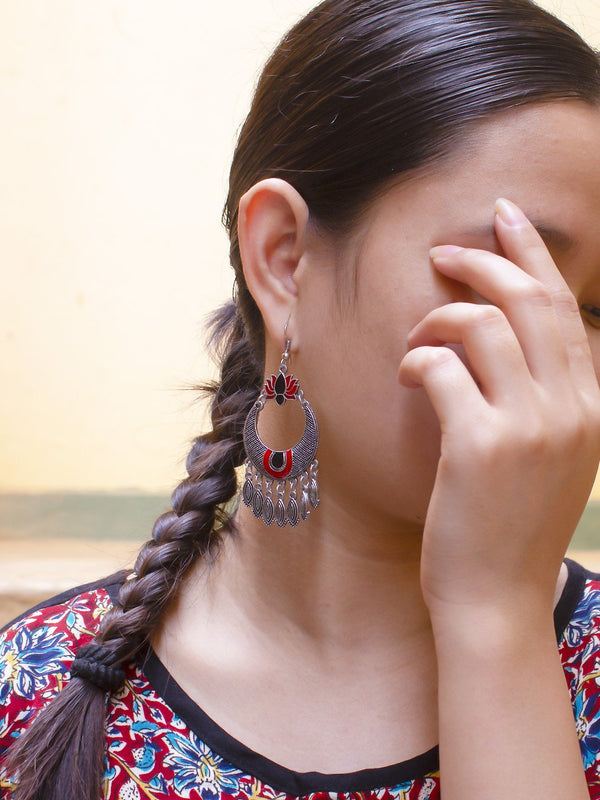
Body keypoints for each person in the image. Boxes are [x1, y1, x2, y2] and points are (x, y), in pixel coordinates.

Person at [2, 0, 600, 797]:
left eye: (593, 313)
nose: (565, 365)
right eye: (514, 279)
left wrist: (497, 614)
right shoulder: (38, 693)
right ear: (285, 259)